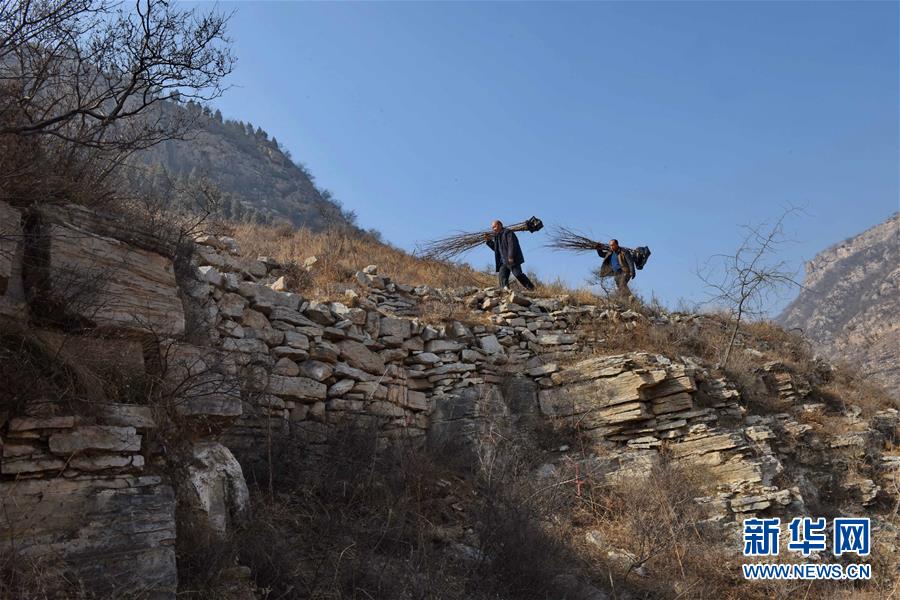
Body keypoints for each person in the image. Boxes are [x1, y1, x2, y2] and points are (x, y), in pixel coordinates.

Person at [484, 220, 535, 290]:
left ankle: (531, 288)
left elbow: (512, 245)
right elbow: (496, 249)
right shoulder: (497, 236)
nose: (494, 229)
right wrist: (488, 241)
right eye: (493, 228)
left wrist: (510, 256)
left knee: (518, 274)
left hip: (511, 259)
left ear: (500, 225)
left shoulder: (508, 233)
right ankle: (505, 291)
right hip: (503, 262)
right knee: (502, 276)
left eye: (495, 227)